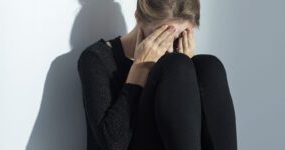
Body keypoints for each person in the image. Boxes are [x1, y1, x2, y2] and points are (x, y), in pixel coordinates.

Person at [77, 0, 237, 150]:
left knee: (209, 65)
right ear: (138, 19)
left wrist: (186, 75)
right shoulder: (97, 58)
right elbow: (111, 144)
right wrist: (138, 71)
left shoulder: (178, 65)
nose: (168, 47)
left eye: (178, 38)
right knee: (177, 65)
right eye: (161, 36)